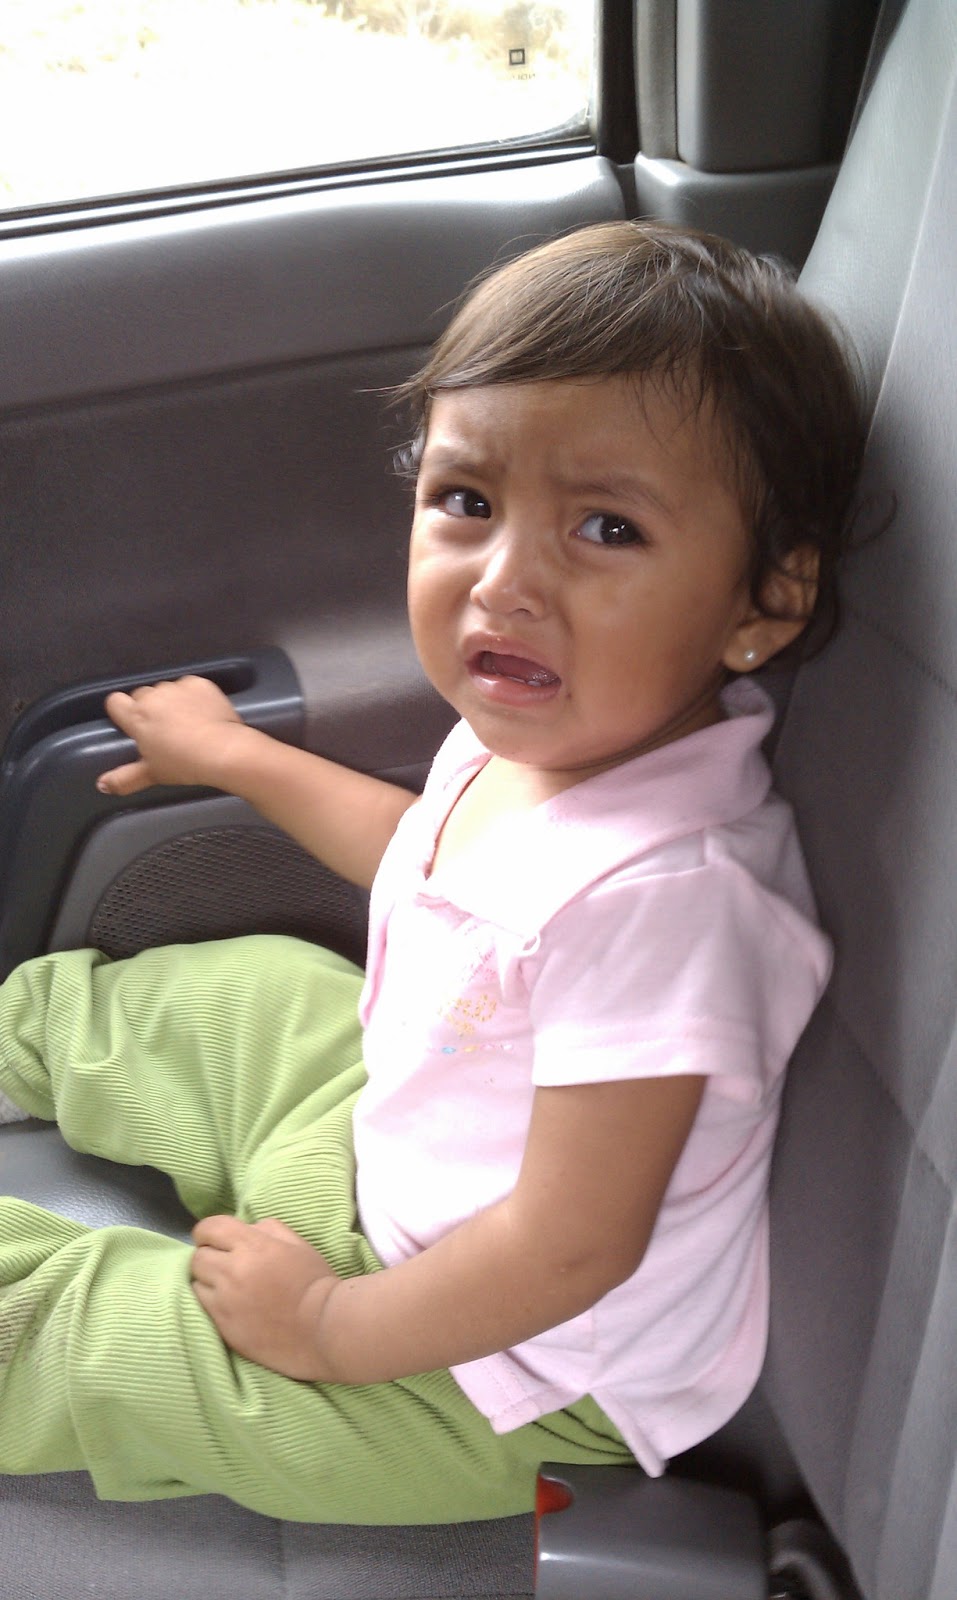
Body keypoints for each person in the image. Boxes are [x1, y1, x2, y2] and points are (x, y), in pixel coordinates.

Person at [0, 221, 865, 1523]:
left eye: (606, 527)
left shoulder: (667, 907)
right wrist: (238, 758)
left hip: (496, 1364)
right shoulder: (556, 732)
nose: (504, 582)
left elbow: (571, 1245)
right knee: (248, 994)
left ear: (763, 605)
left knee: (110, 1339)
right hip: (401, 1149)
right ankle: (21, 1039)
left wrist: (326, 1327)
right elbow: (424, 861)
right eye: (467, 502)